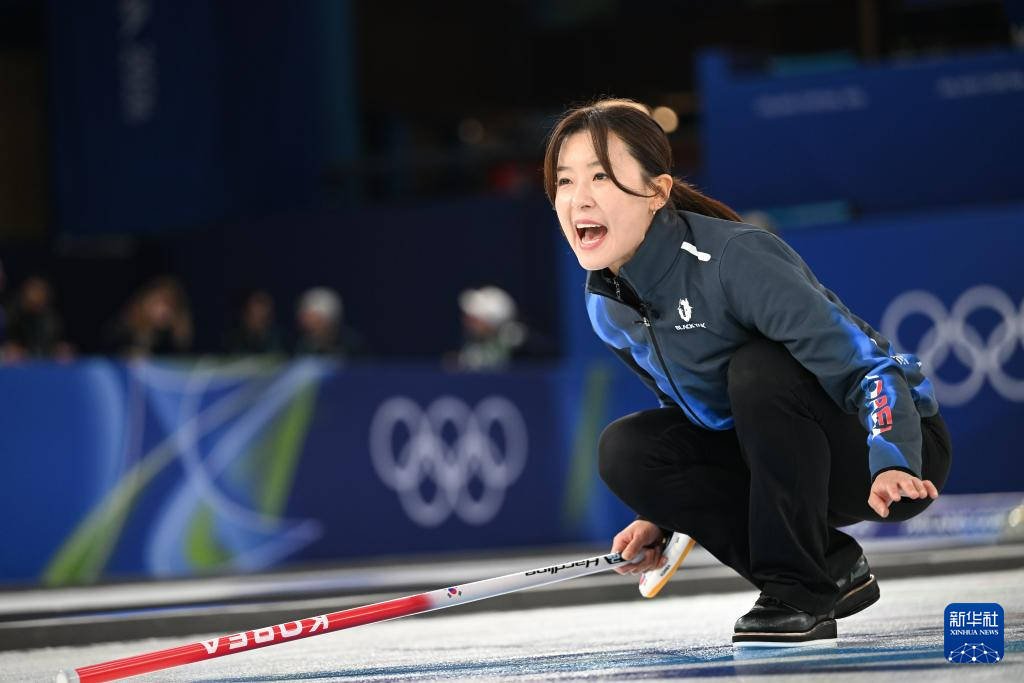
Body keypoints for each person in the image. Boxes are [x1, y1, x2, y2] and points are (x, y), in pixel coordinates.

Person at [543, 98, 951, 646]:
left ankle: (796, 591)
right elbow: (687, 412)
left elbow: (867, 368)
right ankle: (832, 568)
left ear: (657, 192)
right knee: (628, 449)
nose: (579, 198)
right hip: (773, 459)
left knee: (758, 368)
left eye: (600, 176)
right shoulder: (607, 304)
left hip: (881, 450)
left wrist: (892, 458)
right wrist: (661, 515)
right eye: (564, 181)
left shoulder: (735, 259)